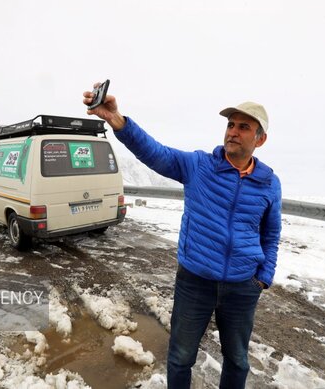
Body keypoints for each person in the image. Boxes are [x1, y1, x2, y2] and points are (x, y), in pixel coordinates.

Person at [83, 84, 282, 389]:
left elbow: (271, 233)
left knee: (238, 360)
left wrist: (263, 276)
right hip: (196, 282)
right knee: (180, 357)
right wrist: (117, 120)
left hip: (242, 287)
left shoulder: (269, 183)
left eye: (244, 127)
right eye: (230, 124)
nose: (233, 131)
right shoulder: (199, 166)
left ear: (260, 139)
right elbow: (155, 153)